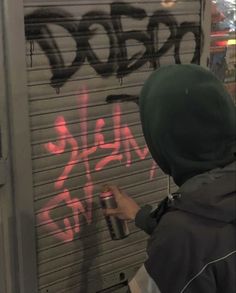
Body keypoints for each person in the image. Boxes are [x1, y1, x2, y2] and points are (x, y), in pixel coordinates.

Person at [105, 64, 236, 293]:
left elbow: (193, 245)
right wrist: (140, 216)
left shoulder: (182, 238)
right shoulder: (209, 213)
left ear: (163, 142)